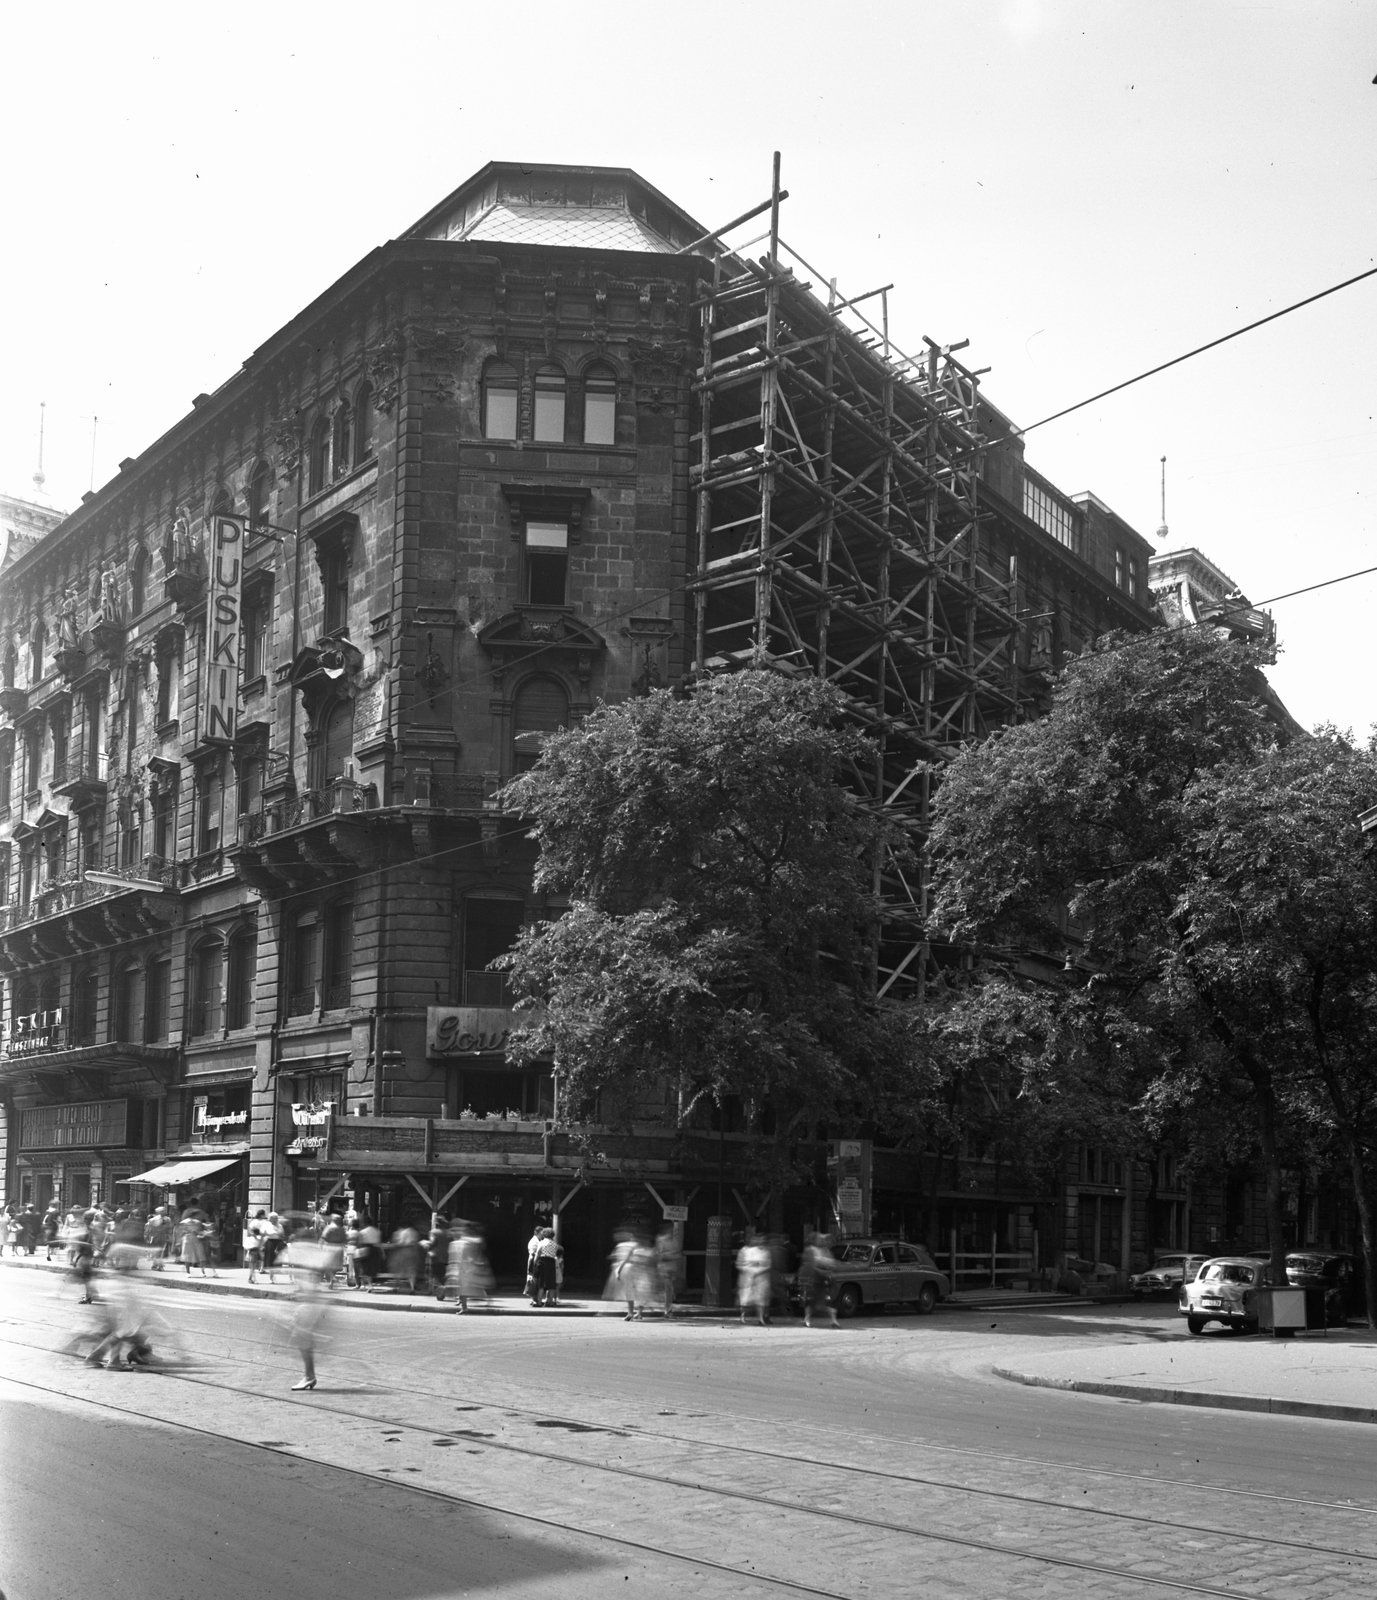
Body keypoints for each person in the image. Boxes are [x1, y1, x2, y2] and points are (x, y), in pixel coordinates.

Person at [446, 1222, 492, 1314]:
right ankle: (464, 1306)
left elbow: (464, 1256)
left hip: (464, 1269)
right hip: (464, 1268)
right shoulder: (464, 1243)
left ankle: (465, 1307)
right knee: (465, 1288)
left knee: (466, 1288)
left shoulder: (462, 1243)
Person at [799, 1230, 840, 1329]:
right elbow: (812, 1264)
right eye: (819, 1239)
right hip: (812, 1279)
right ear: (814, 1240)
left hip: (824, 1279)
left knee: (830, 1300)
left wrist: (826, 1265)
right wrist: (824, 1266)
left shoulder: (825, 1250)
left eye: (822, 1239)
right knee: (811, 1301)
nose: (822, 1241)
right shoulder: (810, 1250)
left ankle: (834, 1321)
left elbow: (832, 1262)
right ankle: (807, 1320)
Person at [736, 1230, 772, 1326]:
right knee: (745, 1299)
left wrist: (760, 1268)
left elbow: (768, 1264)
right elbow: (739, 1264)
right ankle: (743, 1316)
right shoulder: (745, 1250)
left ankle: (761, 1318)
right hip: (747, 1277)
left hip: (761, 1278)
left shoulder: (766, 1251)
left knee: (761, 1299)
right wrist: (749, 1268)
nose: (759, 1241)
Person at [654, 1226, 682, 1318]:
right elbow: (660, 1256)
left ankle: (667, 1310)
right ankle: (667, 1311)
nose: (673, 1232)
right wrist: (672, 1256)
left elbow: (677, 1254)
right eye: (671, 1230)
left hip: (670, 1269)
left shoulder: (673, 1241)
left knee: (669, 1291)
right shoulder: (662, 1241)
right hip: (664, 1269)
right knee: (668, 1290)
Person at [533, 1227, 559, 1307]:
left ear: (544, 1234)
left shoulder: (542, 1242)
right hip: (551, 1262)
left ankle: (539, 1302)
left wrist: (534, 1262)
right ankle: (550, 1302)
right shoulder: (555, 1244)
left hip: (543, 1262)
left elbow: (538, 1253)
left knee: (541, 1283)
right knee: (551, 1283)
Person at [426, 1218, 451, 1301]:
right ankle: (442, 1292)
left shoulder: (434, 1232)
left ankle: (441, 1292)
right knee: (443, 1276)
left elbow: (432, 1242)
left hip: (437, 1258)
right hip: (448, 1258)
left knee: (435, 1276)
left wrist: (425, 1244)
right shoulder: (450, 1233)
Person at [525, 1223, 545, 1306]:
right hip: (533, 1261)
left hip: (534, 1261)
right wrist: (531, 1268)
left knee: (534, 1281)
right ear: (537, 1233)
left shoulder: (537, 1240)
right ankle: (534, 1299)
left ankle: (534, 1299)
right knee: (533, 1281)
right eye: (541, 1233)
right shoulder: (534, 1241)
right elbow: (532, 1255)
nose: (542, 1235)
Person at [242, 1210, 265, 1283]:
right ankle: (252, 1278)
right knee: (253, 1266)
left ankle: (251, 1278)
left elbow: (245, 1245)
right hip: (254, 1251)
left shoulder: (250, 1238)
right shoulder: (257, 1238)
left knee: (252, 1267)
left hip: (252, 1251)